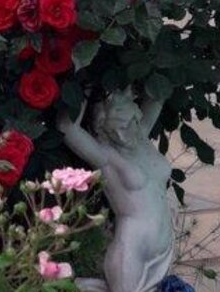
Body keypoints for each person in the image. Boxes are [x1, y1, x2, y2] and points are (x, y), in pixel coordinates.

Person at [58, 88, 175, 292]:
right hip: (132, 247)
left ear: (136, 116)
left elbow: (159, 93)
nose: (122, 135)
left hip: (162, 246)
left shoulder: (142, 139)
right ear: (103, 129)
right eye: (114, 130)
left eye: (127, 125)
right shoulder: (106, 156)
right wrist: (80, 88)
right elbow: (66, 128)